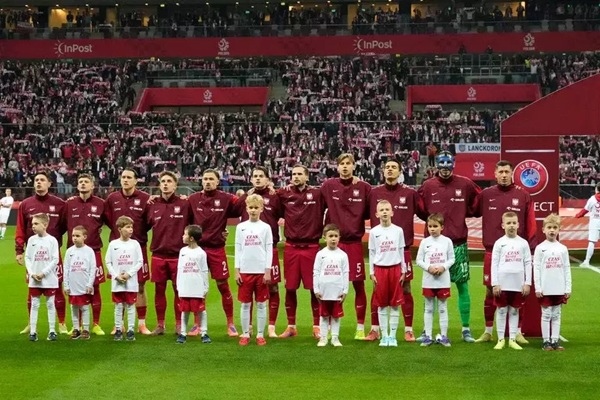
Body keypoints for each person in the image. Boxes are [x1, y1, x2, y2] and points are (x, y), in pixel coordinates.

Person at [417, 151, 480, 342]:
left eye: (448, 163)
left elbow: (477, 204)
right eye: (441, 163)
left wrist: (462, 216)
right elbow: (421, 210)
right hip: (433, 247)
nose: (445, 167)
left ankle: (466, 329)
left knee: (462, 286)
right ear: (437, 164)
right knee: (429, 291)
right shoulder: (428, 186)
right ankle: (427, 331)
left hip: (458, 244)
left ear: (453, 163)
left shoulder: (466, 184)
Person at [473, 160, 537, 344]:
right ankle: (488, 331)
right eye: (500, 172)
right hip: (492, 251)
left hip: (516, 252)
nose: (503, 175)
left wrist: (531, 248)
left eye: (506, 172)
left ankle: (518, 332)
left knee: (519, 291)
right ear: (495, 174)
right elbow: (471, 210)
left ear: (512, 174)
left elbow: (531, 223)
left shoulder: (523, 195)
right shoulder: (486, 194)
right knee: (490, 291)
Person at [368, 159, 427, 342]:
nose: (390, 170)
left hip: (402, 250)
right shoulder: (374, 193)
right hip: (381, 253)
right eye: (387, 167)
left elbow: (426, 213)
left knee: (406, 288)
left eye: (394, 167)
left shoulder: (410, 193)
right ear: (383, 171)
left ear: (400, 171)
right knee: (377, 288)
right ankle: (375, 329)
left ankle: (408, 329)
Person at [320, 153, 371, 340]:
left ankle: (360, 327)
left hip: (354, 244)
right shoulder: (328, 186)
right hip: (335, 244)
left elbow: (369, 212)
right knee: (330, 286)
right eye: (342, 163)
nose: (345, 166)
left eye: (348, 163)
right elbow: (316, 204)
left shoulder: (364, 187)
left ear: (354, 166)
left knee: (358, 285)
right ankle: (328, 327)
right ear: (337, 166)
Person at [188, 169, 240, 337]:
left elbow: (242, 205)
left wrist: (249, 192)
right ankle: (196, 324)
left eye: (211, 179)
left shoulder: (226, 198)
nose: (208, 182)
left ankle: (230, 323)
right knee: (196, 287)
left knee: (223, 285)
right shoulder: (192, 199)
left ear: (218, 182)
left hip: (217, 249)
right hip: (197, 250)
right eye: (205, 179)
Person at [15, 171, 68, 335]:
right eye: (36, 180)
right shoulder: (26, 204)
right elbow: (20, 228)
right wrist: (19, 250)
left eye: (42, 180)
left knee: (57, 287)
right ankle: (31, 324)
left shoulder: (59, 204)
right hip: (34, 254)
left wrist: (54, 240)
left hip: (53, 254)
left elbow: (64, 225)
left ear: (49, 183)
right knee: (32, 288)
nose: (38, 182)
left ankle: (61, 322)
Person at [277, 164, 326, 339]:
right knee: (290, 288)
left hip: (311, 247)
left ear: (307, 177)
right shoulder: (283, 194)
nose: (296, 177)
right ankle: (291, 326)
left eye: (299, 174)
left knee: (314, 288)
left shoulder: (318, 194)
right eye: (293, 174)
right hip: (291, 247)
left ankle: (317, 326)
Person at [237, 167, 284, 338]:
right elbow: (229, 211)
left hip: (269, 249)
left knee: (273, 287)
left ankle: (271, 326)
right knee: (247, 290)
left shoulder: (275, 197)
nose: (257, 179)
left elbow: (288, 213)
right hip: (249, 254)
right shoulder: (246, 198)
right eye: (255, 176)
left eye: (261, 176)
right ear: (251, 179)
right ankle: (248, 326)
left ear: (268, 179)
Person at [104, 167, 152, 335]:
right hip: (118, 250)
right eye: (123, 177)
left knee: (140, 286)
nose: (125, 180)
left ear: (136, 180)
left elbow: (151, 221)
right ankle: (119, 325)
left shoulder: (145, 199)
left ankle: (141, 324)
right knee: (119, 286)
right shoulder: (112, 198)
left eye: (129, 177)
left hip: (138, 247)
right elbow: (106, 219)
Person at [146, 171, 191, 335]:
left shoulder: (185, 204)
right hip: (158, 254)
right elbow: (142, 226)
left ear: (175, 185)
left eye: (169, 181)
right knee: (159, 290)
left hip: (178, 255)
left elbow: (196, 224)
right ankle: (160, 325)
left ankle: (179, 324)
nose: (165, 184)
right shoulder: (152, 205)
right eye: (163, 181)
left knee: (179, 290)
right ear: (159, 185)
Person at [66, 173, 107, 335]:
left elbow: (112, 222)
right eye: (80, 182)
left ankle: (95, 324)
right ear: (77, 186)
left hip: (94, 251)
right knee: (76, 288)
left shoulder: (101, 204)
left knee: (95, 287)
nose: (83, 184)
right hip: (74, 252)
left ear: (92, 185)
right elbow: (61, 225)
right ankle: (78, 326)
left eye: (86, 182)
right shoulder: (69, 204)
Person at [235, 194, 273, 346]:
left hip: (261, 271)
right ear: (246, 208)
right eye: (250, 207)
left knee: (261, 304)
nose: (253, 210)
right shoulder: (240, 227)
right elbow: (238, 249)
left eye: (256, 207)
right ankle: (245, 334)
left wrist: (267, 270)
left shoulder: (266, 227)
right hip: (245, 271)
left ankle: (260, 334)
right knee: (245, 304)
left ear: (261, 209)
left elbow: (269, 250)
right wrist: (237, 270)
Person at [490, 212, 532, 350]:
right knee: (501, 310)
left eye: (514, 223)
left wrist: (527, 283)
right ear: (503, 225)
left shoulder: (523, 243)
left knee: (514, 311)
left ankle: (512, 339)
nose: (511, 226)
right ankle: (501, 339)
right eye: (508, 223)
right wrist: (495, 283)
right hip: (502, 283)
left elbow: (528, 263)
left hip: (518, 284)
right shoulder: (499, 243)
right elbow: (494, 264)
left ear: (518, 224)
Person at [368, 200, 406, 347]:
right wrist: (371, 272)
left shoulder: (398, 231)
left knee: (395, 304)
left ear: (392, 212)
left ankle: (392, 336)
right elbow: (372, 253)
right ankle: (384, 336)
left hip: (395, 269)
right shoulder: (374, 232)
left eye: (387, 209)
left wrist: (403, 270)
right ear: (377, 214)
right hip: (380, 270)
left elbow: (401, 250)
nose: (384, 212)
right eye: (381, 210)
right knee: (382, 305)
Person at [415, 213, 455, 347]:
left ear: (442, 227)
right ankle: (428, 336)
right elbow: (419, 260)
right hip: (428, 280)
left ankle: (444, 336)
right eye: (430, 226)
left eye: (435, 226)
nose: (432, 229)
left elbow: (452, 259)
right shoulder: (424, 242)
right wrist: (429, 268)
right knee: (428, 309)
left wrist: (443, 267)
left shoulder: (447, 241)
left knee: (443, 308)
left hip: (443, 280)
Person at [533, 214, 572, 351]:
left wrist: (568, 288)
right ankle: (546, 341)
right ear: (543, 229)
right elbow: (536, 269)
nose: (552, 230)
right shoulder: (540, 248)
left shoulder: (563, 248)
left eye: (555, 227)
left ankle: (555, 340)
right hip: (546, 287)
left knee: (556, 314)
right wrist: (538, 287)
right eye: (549, 227)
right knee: (546, 314)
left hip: (559, 287)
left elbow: (566, 268)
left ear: (559, 230)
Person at [105, 216, 144, 341]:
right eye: (127, 227)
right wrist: (116, 276)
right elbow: (108, 262)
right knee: (118, 306)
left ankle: (131, 330)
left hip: (131, 282)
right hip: (117, 283)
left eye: (131, 227)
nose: (131, 229)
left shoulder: (135, 244)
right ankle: (118, 329)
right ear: (119, 229)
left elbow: (140, 261)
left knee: (131, 306)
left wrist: (129, 274)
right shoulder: (113, 244)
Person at [25, 213, 60, 342]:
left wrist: (44, 273)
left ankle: (52, 331)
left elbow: (55, 259)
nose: (33, 226)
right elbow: (27, 257)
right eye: (32, 224)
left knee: (50, 304)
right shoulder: (31, 240)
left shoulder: (52, 240)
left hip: (49, 279)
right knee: (34, 304)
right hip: (34, 279)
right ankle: (33, 332)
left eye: (36, 223)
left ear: (45, 225)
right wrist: (32, 273)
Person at [314, 224, 349, 347]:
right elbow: (316, 272)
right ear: (324, 238)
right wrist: (316, 289)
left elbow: (346, 272)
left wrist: (345, 290)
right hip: (324, 291)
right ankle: (323, 338)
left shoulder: (343, 255)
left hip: (337, 291)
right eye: (330, 236)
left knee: (336, 316)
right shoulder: (320, 254)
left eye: (335, 236)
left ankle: (335, 338)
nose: (333, 239)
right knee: (324, 316)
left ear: (339, 238)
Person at [176, 224, 211, 345]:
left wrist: (205, 287)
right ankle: (183, 333)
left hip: (197, 287)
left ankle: (204, 333)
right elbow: (180, 269)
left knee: (201, 311)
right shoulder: (182, 251)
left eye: (185, 234)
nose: (182, 236)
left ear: (191, 238)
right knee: (184, 310)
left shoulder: (201, 253)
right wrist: (178, 285)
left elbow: (204, 270)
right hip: (185, 287)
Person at [63, 225, 96, 340]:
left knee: (85, 307)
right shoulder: (69, 251)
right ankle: (76, 329)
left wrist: (90, 284)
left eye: (77, 236)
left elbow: (93, 268)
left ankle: (85, 329)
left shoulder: (89, 251)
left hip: (84, 285)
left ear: (84, 237)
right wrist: (66, 285)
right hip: (73, 285)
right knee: (74, 307)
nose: (75, 238)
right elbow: (66, 269)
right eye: (73, 236)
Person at [575, 182, 600, 267]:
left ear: (596, 189)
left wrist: (577, 216)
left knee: (592, 242)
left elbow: (585, 210)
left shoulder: (592, 199)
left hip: (594, 222)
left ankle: (587, 261)